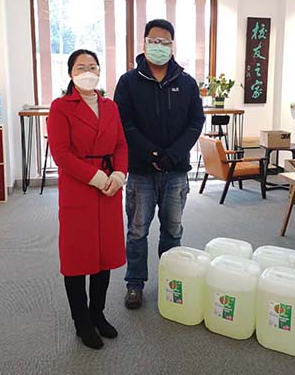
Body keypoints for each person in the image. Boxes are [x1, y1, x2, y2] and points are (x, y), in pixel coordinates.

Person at [114, 19, 205, 309]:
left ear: (172, 45)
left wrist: (173, 154)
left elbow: (196, 122)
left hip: (176, 171)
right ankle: (135, 284)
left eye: (164, 42)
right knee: (137, 231)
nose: (159, 46)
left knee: (173, 231)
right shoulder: (128, 82)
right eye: (154, 41)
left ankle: (171, 283)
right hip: (141, 171)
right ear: (144, 43)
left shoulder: (186, 83)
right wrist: (152, 154)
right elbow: (124, 124)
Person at [47, 49, 128, 350]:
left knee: (104, 255)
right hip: (79, 187)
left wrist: (119, 174)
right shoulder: (60, 107)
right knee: (77, 258)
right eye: (81, 67)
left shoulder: (110, 106)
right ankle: (81, 322)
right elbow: (61, 154)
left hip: (109, 187)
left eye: (93, 67)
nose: (88, 72)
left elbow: (121, 144)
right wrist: (96, 177)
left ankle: (98, 314)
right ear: (70, 73)